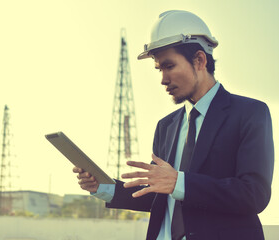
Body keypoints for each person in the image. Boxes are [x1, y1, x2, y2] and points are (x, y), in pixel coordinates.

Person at [73, 10, 274, 240]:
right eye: (159, 69)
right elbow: (157, 194)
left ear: (199, 60)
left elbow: (254, 194)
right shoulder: (166, 126)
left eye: (169, 66)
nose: (163, 79)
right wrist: (103, 187)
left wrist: (180, 182)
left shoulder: (250, 113)